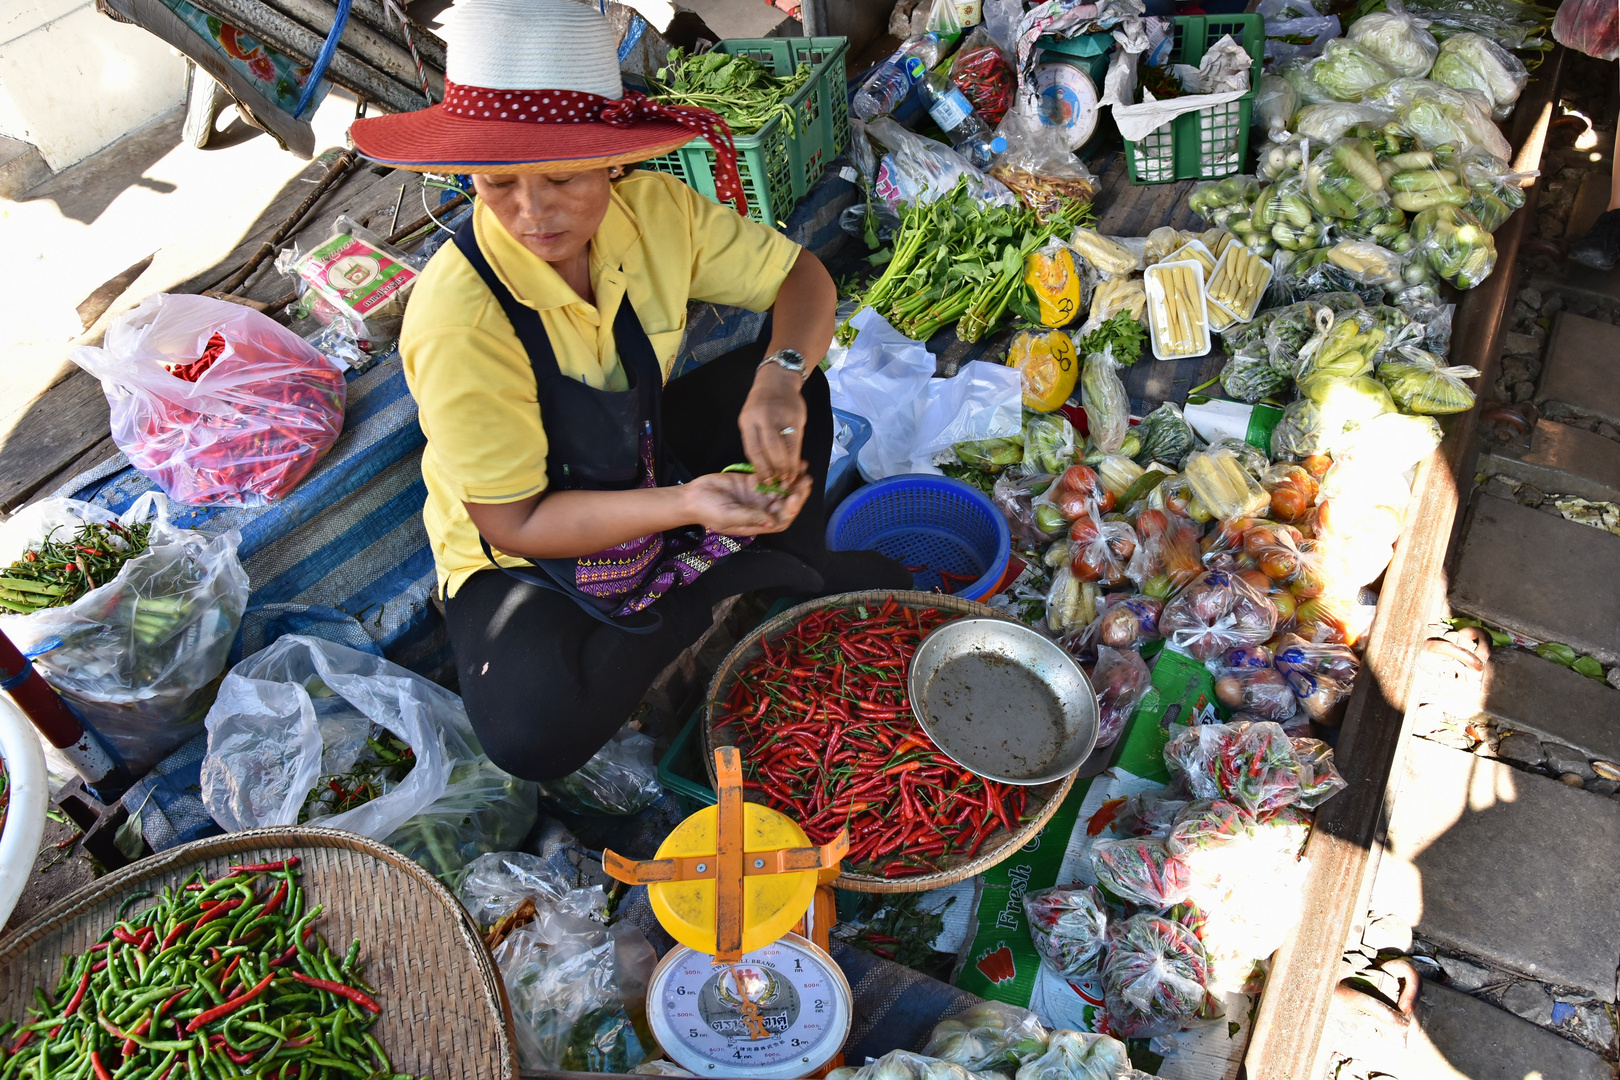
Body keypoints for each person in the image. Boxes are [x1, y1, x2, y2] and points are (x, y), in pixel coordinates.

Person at [349, 0, 909, 783]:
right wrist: (686, 507)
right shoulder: (457, 322)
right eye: (498, 182)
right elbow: (520, 519)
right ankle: (723, 582)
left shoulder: (655, 213)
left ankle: (780, 559)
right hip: (521, 544)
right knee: (530, 734)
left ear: (612, 159)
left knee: (796, 401)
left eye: (565, 178)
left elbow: (800, 278)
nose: (532, 213)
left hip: (636, 457)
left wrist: (781, 373)